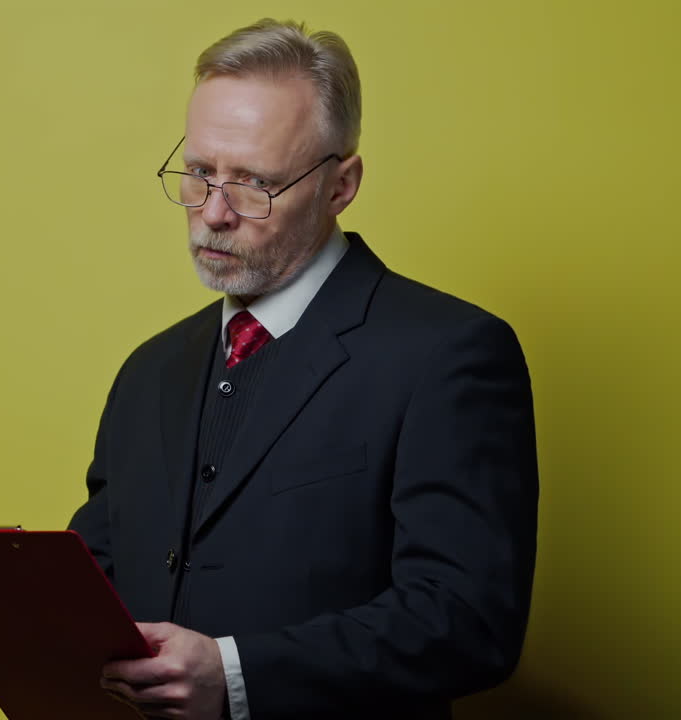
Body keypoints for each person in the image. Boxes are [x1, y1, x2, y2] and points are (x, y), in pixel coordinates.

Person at [68, 18, 538, 720]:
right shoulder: (148, 371)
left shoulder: (449, 354)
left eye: (255, 183)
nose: (213, 213)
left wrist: (234, 677)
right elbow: (99, 584)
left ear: (341, 185)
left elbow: (470, 621)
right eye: (199, 173)